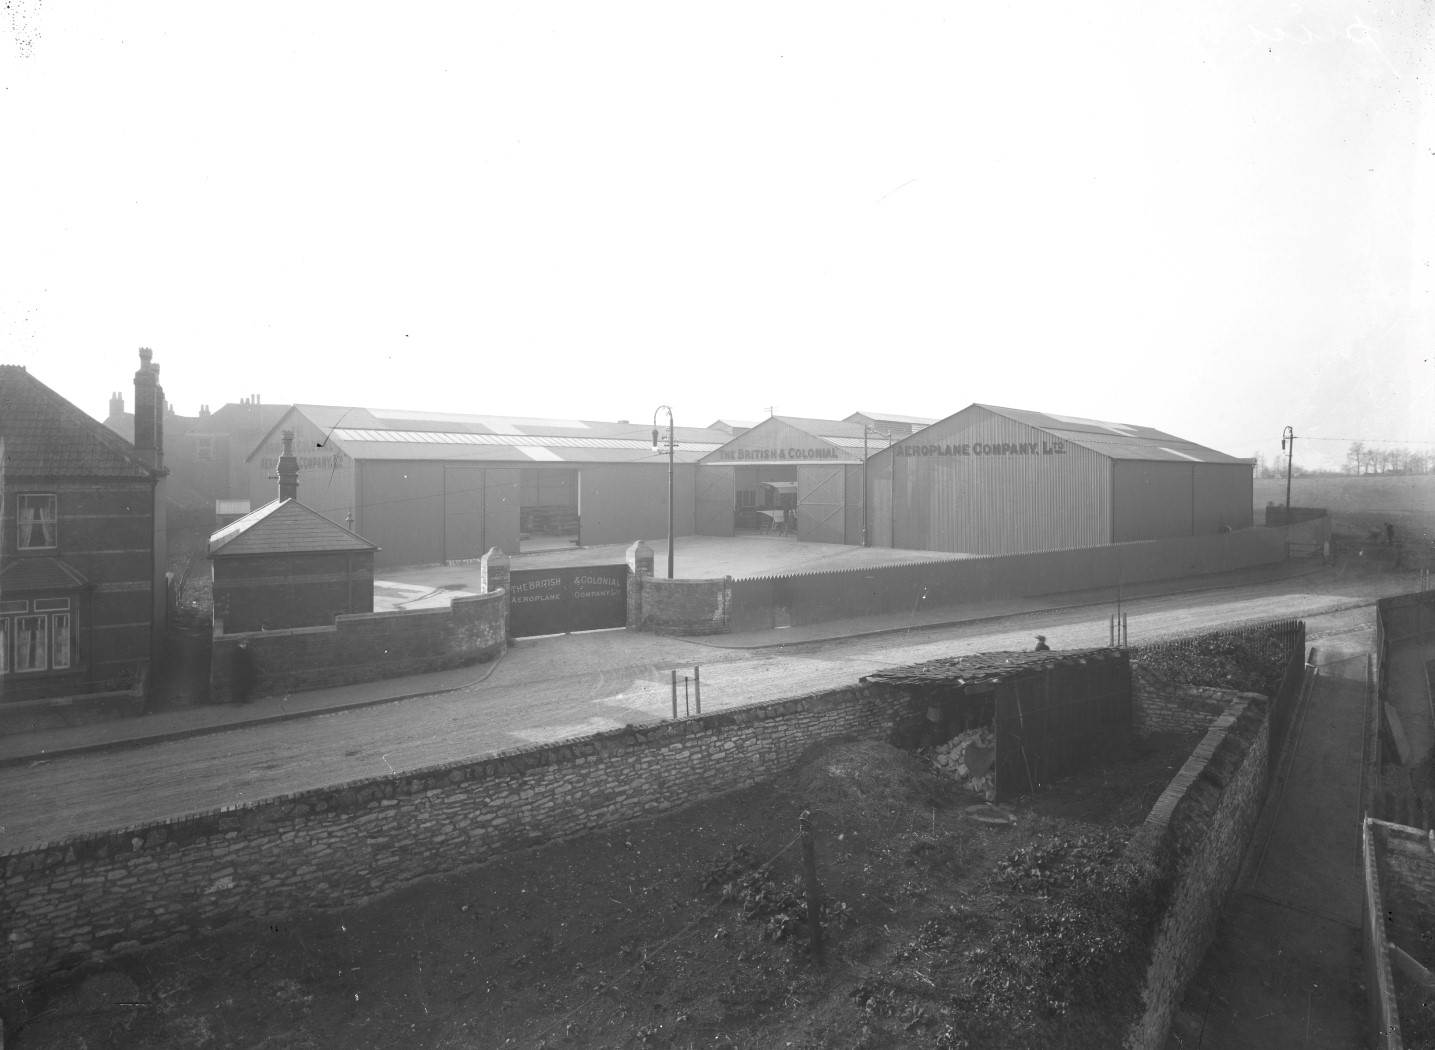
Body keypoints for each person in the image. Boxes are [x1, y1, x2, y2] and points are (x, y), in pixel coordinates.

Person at [231, 640, 257, 704]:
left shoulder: (247, 649)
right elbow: (234, 661)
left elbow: (251, 658)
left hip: (247, 669)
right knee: (239, 685)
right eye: (244, 642)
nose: (245, 643)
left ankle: (246, 698)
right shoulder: (236, 650)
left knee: (247, 684)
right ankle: (239, 700)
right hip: (239, 670)